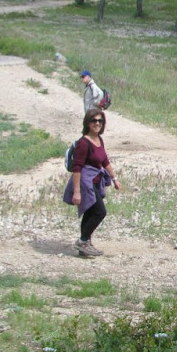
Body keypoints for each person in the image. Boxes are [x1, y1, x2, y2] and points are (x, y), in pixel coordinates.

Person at [63, 109, 121, 256]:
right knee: (100, 212)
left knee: (89, 212)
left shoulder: (99, 140)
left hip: (95, 181)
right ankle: (82, 241)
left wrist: (114, 179)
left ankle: (84, 247)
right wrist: (76, 192)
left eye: (100, 121)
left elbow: (104, 160)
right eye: (94, 120)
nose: (97, 123)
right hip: (84, 183)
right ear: (87, 123)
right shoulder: (83, 143)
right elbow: (76, 168)